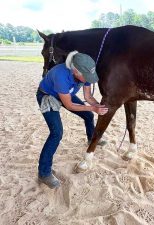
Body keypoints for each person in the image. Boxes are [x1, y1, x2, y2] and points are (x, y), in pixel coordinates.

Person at [36, 51, 108, 189]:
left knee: (88, 116)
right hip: (48, 95)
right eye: (86, 76)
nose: (88, 79)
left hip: (65, 94)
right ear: (75, 70)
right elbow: (69, 105)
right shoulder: (60, 75)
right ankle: (43, 173)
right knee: (56, 133)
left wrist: (98, 105)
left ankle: (91, 138)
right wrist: (93, 109)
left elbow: (88, 97)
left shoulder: (83, 73)